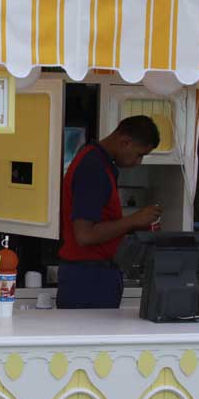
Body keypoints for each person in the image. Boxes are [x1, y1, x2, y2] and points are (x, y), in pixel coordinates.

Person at [57, 116, 161, 309]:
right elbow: (85, 235)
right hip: (89, 276)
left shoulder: (96, 160)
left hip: (91, 274)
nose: (138, 162)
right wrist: (133, 220)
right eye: (139, 154)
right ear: (125, 142)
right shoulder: (93, 167)